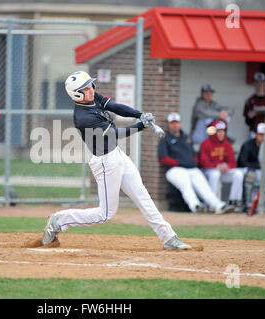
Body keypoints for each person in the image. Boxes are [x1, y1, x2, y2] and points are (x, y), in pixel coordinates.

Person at [42, 71, 191, 250]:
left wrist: (139, 114)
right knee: (105, 214)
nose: (91, 90)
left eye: (90, 86)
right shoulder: (84, 117)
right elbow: (114, 135)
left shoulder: (92, 98)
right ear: (77, 94)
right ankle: (59, 220)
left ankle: (169, 238)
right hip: (105, 163)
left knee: (142, 195)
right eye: (86, 88)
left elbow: (114, 106)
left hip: (117, 155)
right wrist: (140, 126)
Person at [158, 112, 234, 215]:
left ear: (180, 123)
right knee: (186, 185)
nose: (175, 125)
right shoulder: (165, 138)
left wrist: (193, 162)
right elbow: (163, 158)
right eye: (172, 123)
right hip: (175, 169)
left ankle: (218, 205)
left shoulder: (186, 137)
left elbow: (194, 155)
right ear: (168, 124)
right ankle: (196, 206)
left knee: (203, 187)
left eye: (176, 122)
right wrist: (179, 162)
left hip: (191, 168)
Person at [198, 120, 244, 209]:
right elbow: (203, 162)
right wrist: (216, 166)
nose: (221, 134)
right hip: (208, 171)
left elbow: (233, 162)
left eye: (222, 131)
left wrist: (227, 166)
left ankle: (233, 201)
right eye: (218, 131)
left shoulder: (227, 144)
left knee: (238, 174)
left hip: (222, 171)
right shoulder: (206, 143)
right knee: (215, 174)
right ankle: (212, 203)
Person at [237, 123, 265, 212]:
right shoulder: (247, 145)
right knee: (251, 175)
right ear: (255, 134)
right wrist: (258, 165)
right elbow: (242, 163)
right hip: (251, 170)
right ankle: (248, 204)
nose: (263, 137)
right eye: (260, 134)